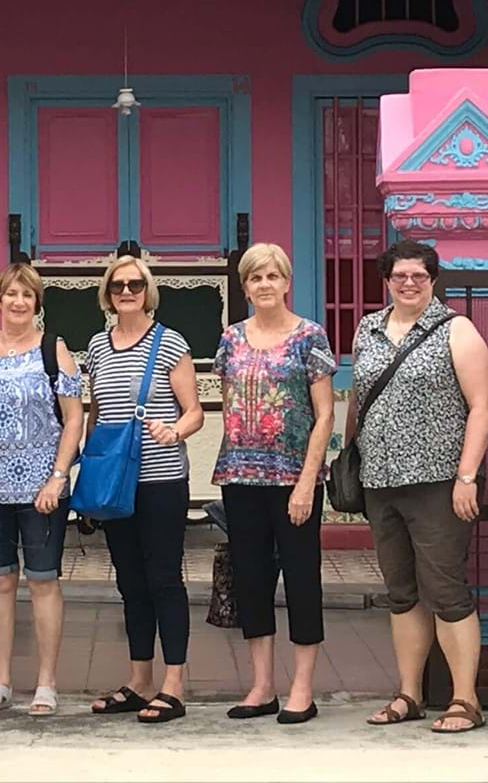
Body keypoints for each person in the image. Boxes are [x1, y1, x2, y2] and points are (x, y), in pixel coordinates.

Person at [348, 239, 488, 734]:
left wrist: (467, 476)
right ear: (386, 280)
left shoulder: (456, 329)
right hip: (380, 480)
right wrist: (349, 458)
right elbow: (359, 400)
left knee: (446, 589)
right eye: (399, 276)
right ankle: (409, 692)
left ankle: (464, 698)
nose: (408, 283)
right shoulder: (367, 328)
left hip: (437, 480)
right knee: (401, 592)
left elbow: (482, 405)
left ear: (433, 280)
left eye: (419, 276)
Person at [212, 243, 336, 725]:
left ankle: (302, 688)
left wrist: (308, 480)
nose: (264, 285)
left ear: (287, 282)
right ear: (244, 288)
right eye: (255, 278)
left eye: (272, 276)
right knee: (252, 579)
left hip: (293, 478)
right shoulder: (231, 339)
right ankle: (262, 685)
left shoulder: (310, 337)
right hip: (240, 476)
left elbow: (324, 413)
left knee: (302, 579)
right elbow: (231, 402)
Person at [87, 254, 204, 725]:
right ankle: (139, 680)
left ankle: (173, 684)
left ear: (148, 291)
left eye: (135, 285)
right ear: (108, 294)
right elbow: (97, 412)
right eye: (119, 286)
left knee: (163, 580)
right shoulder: (96, 345)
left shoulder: (169, 342)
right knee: (130, 583)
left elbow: (193, 410)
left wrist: (174, 431)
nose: (127, 292)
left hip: (159, 481)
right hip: (114, 484)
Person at [0, 263, 84, 717]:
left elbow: (74, 417)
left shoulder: (54, 351)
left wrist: (58, 475)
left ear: (37, 303)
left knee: (42, 581)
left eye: (27, 295)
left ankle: (46, 683)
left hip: (42, 488)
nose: (18, 302)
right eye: (10, 294)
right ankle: (0, 680)